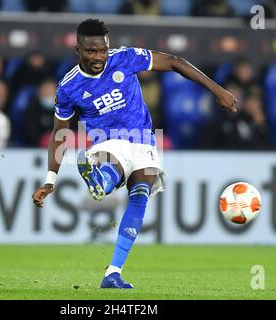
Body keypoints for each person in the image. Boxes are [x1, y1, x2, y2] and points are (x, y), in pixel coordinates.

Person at [32, 19, 237, 289]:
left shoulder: (125, 58)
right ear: (78, 49)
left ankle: (112, 273)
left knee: (140, 195)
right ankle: (100, 181)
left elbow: (174, 61)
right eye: (91, 52)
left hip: (144, 141)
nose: (98, 57)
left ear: (108, 47)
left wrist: (217, 90)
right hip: (106, 141)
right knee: (111, 165)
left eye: (102, 50)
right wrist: (50, 179)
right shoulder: (69, 87)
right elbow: (60, 134)